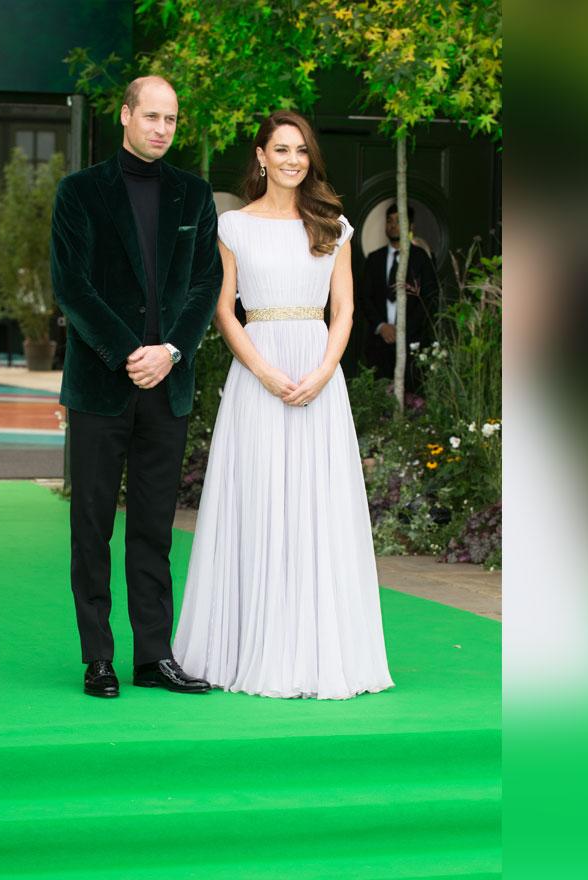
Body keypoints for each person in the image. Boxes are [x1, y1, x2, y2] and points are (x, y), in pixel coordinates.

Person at [172, 110, 394, 700]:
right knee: (260, 499)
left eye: (302, 151)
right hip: (257, 374)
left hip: (319, 377)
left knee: (315, 506)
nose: (294, 159)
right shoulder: (233, 227)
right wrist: (265, 371)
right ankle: (251, 646)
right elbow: (223, 310)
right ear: (261, 156)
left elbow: (345, 309)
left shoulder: (334, 226)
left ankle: (319, 651)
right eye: (282, 149)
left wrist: (324, 370)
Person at [49, 76, 223, 698]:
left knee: (153, 526)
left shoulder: (195, 196)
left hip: (168, 387)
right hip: (102, 385)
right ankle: (99, 657)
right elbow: (73, 288)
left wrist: (171, 351)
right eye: (151, 116)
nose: (161, 129)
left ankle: (154, 656)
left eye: (171, 120)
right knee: (91, 526)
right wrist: (132, 353)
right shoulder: (80, 193)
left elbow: (206, 285)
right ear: (125, 116)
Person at [360, 202, 442, 391]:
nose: (393, 225)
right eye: (389, 221)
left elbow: (430, 298)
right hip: (379, 344)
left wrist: (403, 330)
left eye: (399, 221)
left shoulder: (421, 258)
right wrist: (382, 327)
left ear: (411, 226)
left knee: (413, 397)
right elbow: (364, 297)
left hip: (412, 343)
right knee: (379, 395)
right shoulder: (374, 259)